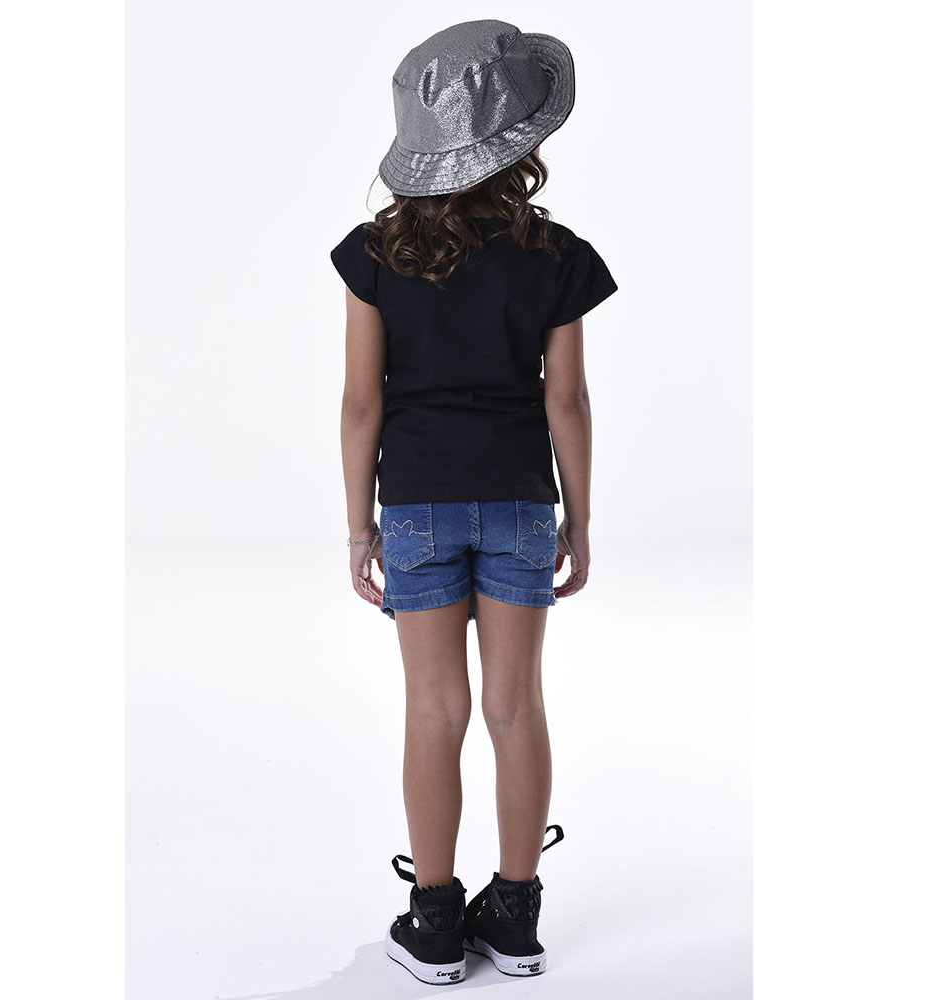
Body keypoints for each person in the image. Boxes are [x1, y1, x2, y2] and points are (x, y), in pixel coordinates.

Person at [331, 19, 618, 985]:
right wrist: (579, 519)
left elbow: (361, 400)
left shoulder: (375, 253)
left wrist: (359, 526)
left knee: (433, 709)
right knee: (515, 704)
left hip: (416, 503)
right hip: (521, 503)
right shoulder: (557, 254)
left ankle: (435, 922)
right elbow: (567, 400)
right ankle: (518, 917)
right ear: (519, 143)